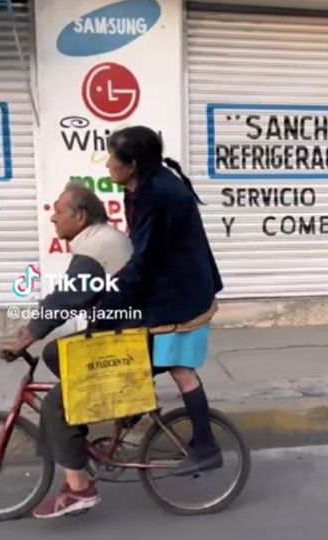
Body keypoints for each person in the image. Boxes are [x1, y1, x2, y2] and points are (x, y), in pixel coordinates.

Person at [93, 126, 225, 478]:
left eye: (112, 158)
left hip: (180, 296)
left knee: (177, 367)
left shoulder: (160, 193)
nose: (107, 164)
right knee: (138, 354)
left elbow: (146, 261)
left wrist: (107, 309)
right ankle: (131, 416)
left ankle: (206, 447)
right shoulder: (139, 188)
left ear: (132, 163)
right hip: (168, 287)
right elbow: (141, 251)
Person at [0, 183, 134, 518]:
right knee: (53, 353)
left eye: (59, 211)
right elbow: (66, 295)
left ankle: (80, 490)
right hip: (119, 335)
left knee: (56, 408)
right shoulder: (99, 239)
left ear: (81, 215)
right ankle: (80, 422)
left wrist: (25, 338)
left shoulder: (95, 245)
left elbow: (67, 299)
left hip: (122, 342)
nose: (53, 218)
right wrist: (31, 329)